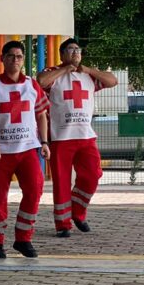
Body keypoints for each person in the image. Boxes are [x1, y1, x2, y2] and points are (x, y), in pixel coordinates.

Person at [0, 40, 50, 259]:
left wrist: (45, 142)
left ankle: (23, 238)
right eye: (10, 56)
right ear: (2, 59)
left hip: (28, 149)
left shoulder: (32, 85)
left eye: (19, 56)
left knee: (35, 189)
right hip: (1, 152)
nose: (15, 60)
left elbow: (41, 114)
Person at [37, 37, 117, 236]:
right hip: (61, 137)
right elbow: (41, 82)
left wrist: (88, 70)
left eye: (78, 50)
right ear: (62, 54)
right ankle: (63, 224)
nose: (75, 53)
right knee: (61, 181)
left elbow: (112, 80)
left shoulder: (88, 76)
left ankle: (78, 211)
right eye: (70, 49)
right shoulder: (52, 73)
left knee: (93, 175)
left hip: (86, 136)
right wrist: (66, 69)